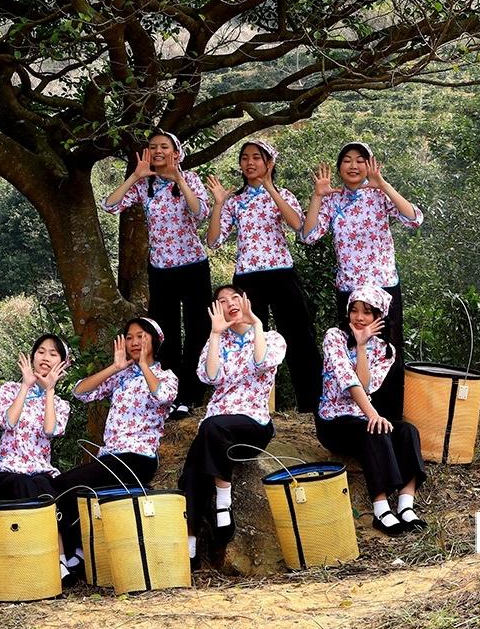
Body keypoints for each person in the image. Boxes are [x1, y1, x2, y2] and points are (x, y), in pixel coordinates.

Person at [300, 142, 422, 420]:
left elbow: (414, 219)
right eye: (346, 160)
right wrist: (317, 196)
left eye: (359, 160)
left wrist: (383, 184)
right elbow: (308, 236)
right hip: (350, 291)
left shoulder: (378, 195)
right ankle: (356, 417)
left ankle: (389, 418)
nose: (353, 166)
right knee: (351, 350)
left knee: (388, 352)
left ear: (369, 165)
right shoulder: (332, 198)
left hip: (382, 289)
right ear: (339, 166)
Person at [50, 317, 177, 582]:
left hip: (139, 457)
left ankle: (74, 554)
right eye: (129, 337)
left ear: (155, 340)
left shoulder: (166, 376)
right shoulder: (121, 377)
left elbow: (163, 396)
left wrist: (143, 365)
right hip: (110, 457)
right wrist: (114, 368)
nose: (134, 342)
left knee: (64, 484)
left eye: (141, 336)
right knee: (67, 489)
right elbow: (80, 392)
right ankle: (77, 553)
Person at [205, 138, 321, 411]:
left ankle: (312, 404)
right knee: (248, 338)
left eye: (256, 157)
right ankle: (254, 405)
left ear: (269, 163)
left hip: (282, 272)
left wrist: (270, 187)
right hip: (247, 278)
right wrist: (220, 204)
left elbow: (299, 227)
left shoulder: (283, 194)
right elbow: (213, 241)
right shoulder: (235, 201)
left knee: (299, 336)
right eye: (245, 157)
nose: (249, 162)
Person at [102, 131, 210, 417]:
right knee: (165, 333)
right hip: (161, 268)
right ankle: (173, 394)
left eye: (165, 147)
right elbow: (110, 205)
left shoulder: (190, 179)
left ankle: (193, 395)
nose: (158, 151)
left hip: (193, 264)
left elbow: (200, 213)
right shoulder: (144, 185)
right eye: (153, 147)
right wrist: (135, 176)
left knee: (198, 329)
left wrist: (180, 180)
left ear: (177, 152)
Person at [179, 285, 285, 564]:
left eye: (234, 298)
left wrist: (258, 323)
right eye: (222, 301)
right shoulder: (217, 341)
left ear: (245, 301)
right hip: (216, 425)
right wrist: (215, 334)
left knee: (211, 428)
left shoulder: (271, 337)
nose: (229, 304)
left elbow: (262, 363)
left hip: (253, 423)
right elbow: (210, 376)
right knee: (192, 469)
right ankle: (190, 544)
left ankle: (223, 500)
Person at [313, 287, 427, 534]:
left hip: (362, 414)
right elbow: (349, 382)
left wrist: (363, 346)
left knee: (407, 431)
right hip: (334, 421)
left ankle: (406, 505)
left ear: (379, 316)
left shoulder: (386, 350)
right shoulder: (334, 337)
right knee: (372, 429)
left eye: (367, 312)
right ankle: (381, 508)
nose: (359, 317)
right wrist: (373, 414)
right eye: (354, 310)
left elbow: (366, 385)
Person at [0, 333, 72, 502]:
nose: (45, 358)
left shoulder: (61, 404)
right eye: (41, 352)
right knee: (23, 485)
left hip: (40, 470)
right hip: (9, 470)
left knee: (47, 493)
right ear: (33, 356)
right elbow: (9, 422)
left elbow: (49, 430)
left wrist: (49, 390)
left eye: (53, 354)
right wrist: (25, 385)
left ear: (62, 364)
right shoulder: (10, 389)